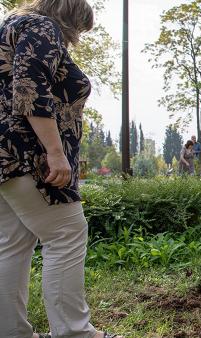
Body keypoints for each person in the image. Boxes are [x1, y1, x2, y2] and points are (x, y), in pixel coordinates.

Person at [0, 1, 121, 337]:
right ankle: (74, 333)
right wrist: (55, 152)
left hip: (4, 157)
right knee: (66, 233)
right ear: (69, 17)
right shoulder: (42, 27)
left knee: (12, 242)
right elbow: (31, 85)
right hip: (29, 154)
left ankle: (10, 332)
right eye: (79, 29)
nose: (75, 38)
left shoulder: (11, 28)